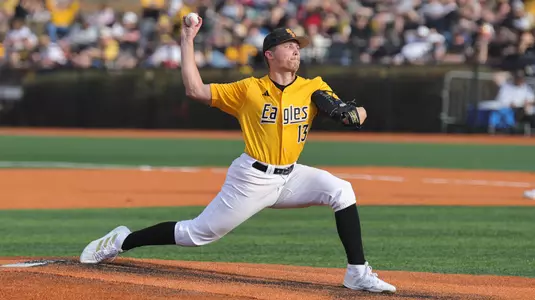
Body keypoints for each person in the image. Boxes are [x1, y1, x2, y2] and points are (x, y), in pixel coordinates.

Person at [79, 16, 396, 294]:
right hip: (253, 178)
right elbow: (195, 90)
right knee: (197, 234)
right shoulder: (248, 90)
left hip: (291, 175)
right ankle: (121, 241)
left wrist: (354, 112)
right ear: (270, 55)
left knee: (341, 190)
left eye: (298, 45)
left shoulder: (313, 86)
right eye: (289, 45)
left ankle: (357, 272)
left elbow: (352, 113)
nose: (296, 49)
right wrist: (187, 41)